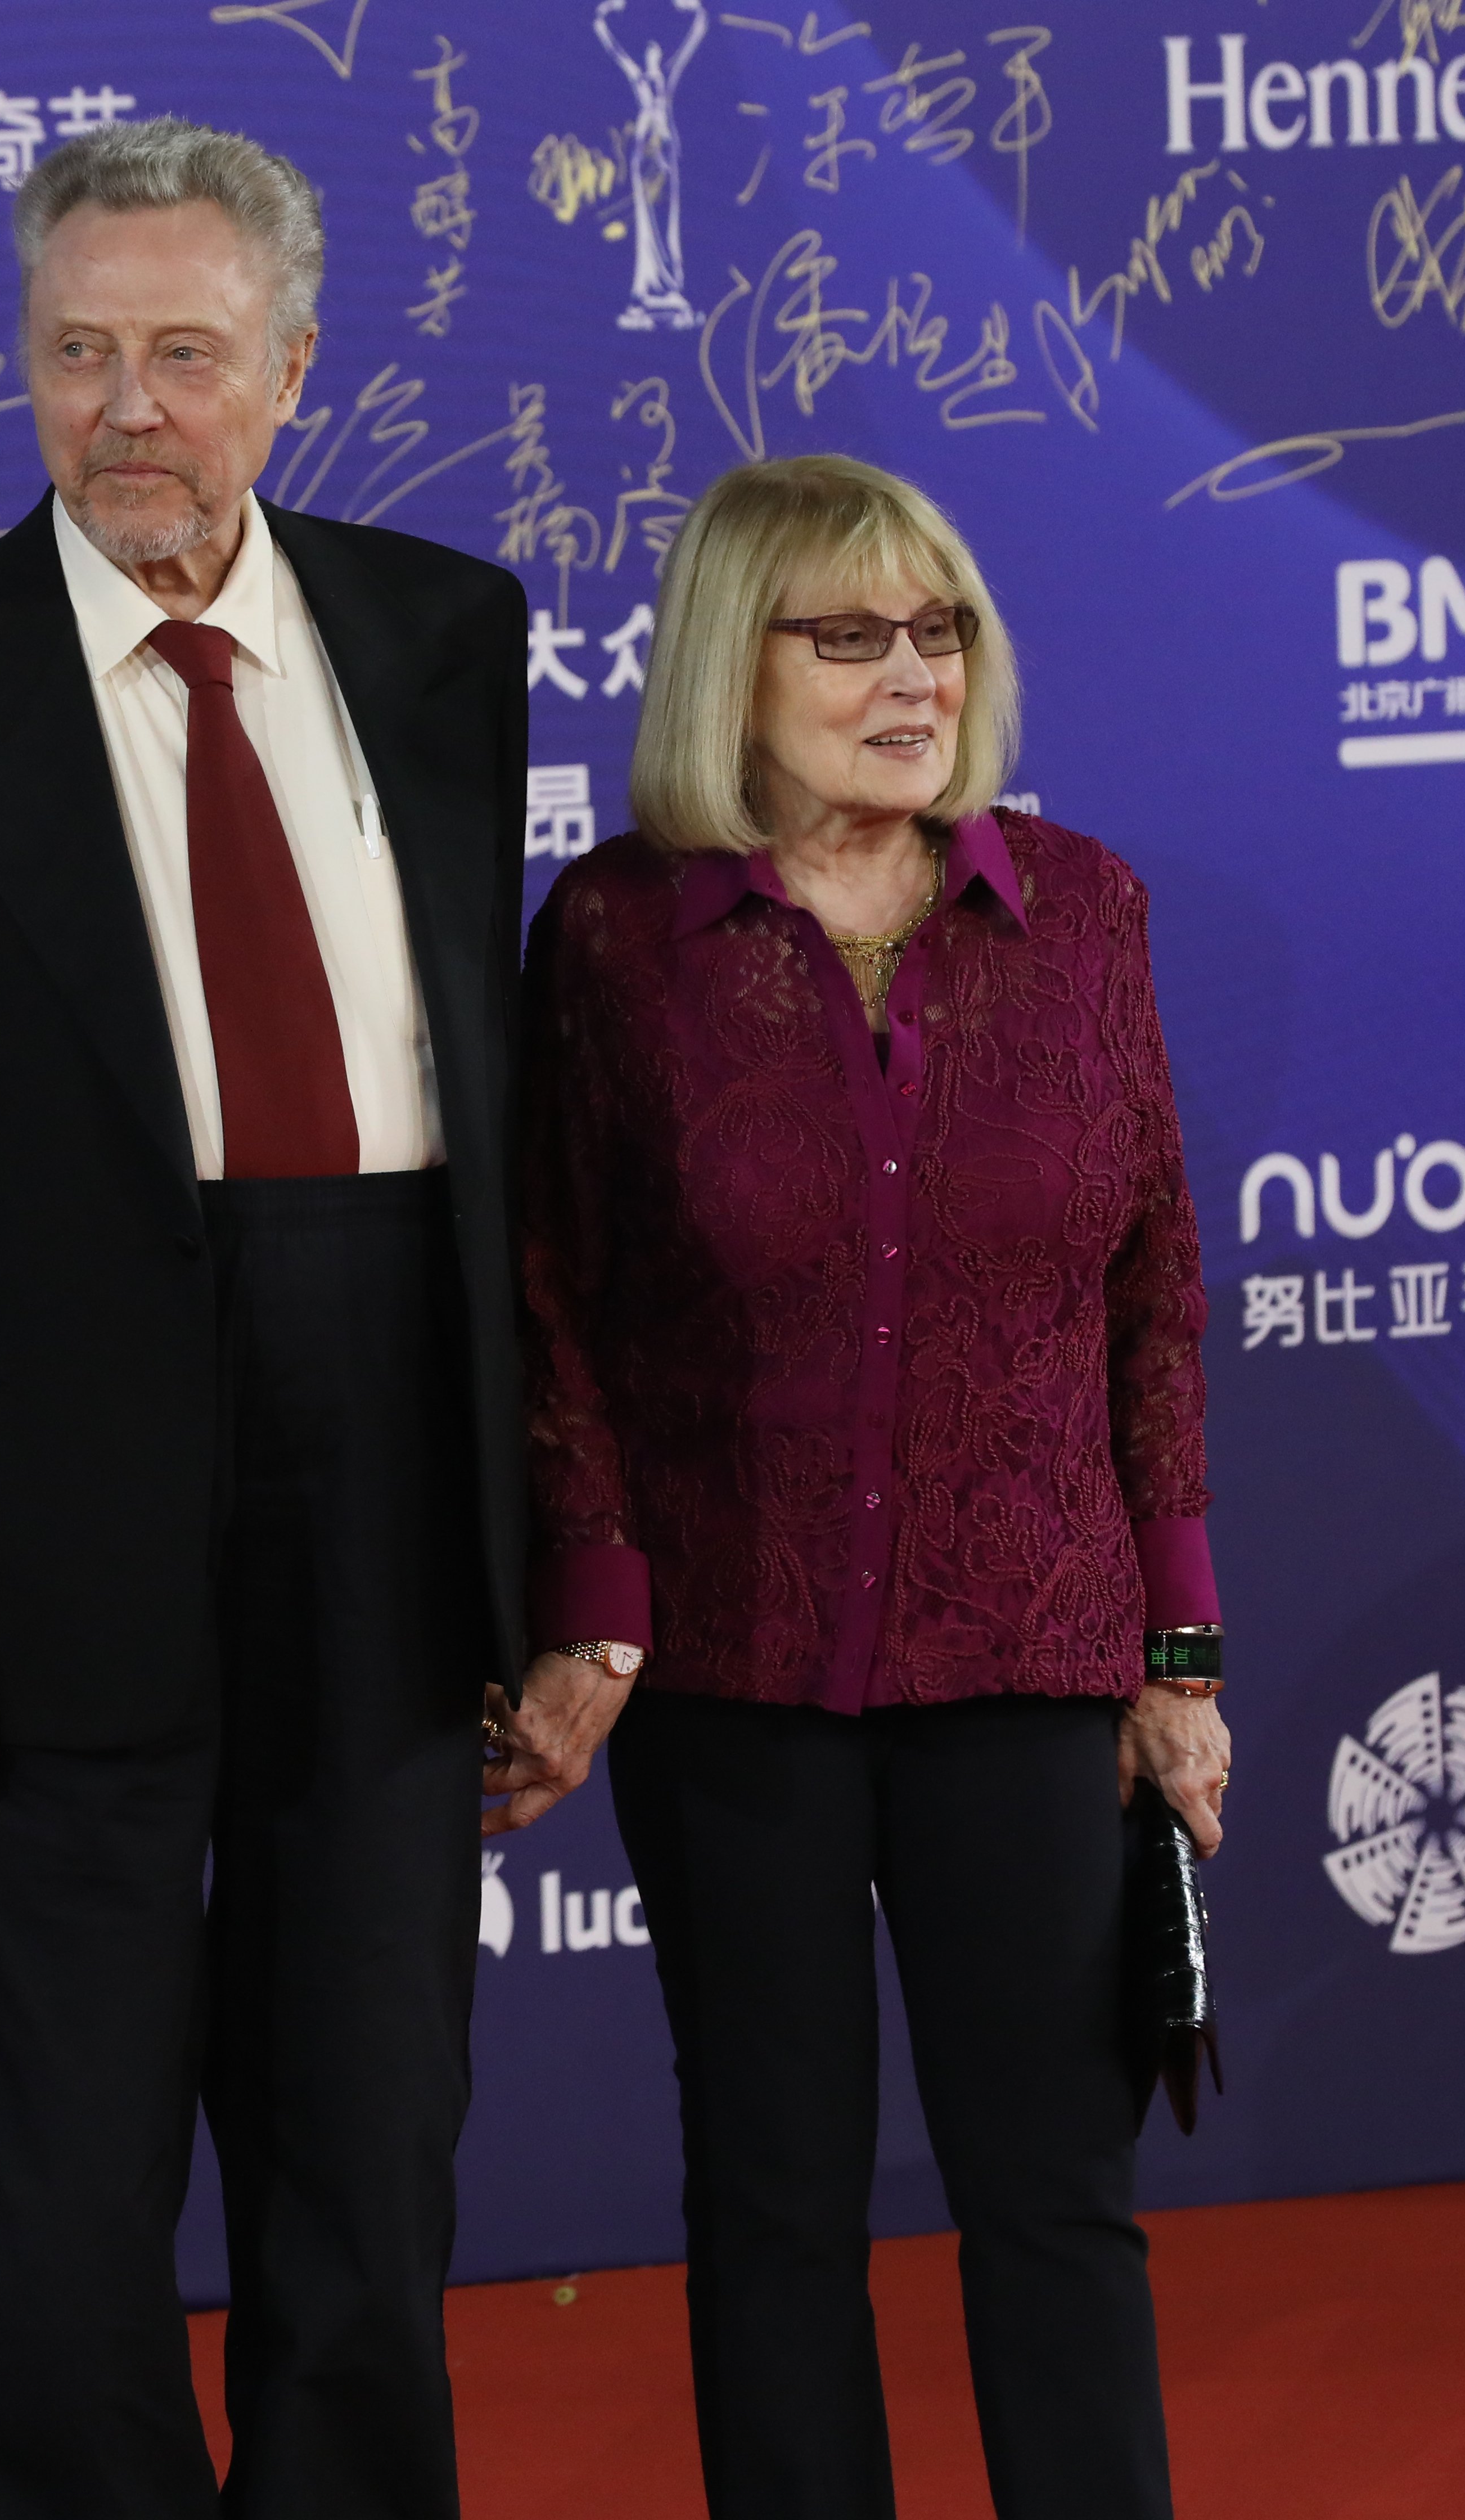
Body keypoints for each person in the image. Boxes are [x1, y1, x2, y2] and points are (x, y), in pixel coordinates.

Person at [0, 118, 537, 2520]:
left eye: (186, 354)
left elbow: (499, 1132)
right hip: (34, 1526)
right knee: (55, 2199)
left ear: (291, 370)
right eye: (79, 354)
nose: (130, 409)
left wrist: (557, 1548)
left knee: (371, 2152)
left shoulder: (443, 638)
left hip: (389, 1467)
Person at [502, 454, 1233, 2520]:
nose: (910, 677)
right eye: (849, 636)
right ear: (735, 668)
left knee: (1053, 2201)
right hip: (734, 1678)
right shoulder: (621, 937)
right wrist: (598, 1595)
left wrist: (1176, 1650)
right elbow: (555, 1288)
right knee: (774, 2209)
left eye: (939, 633)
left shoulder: (1081, 909)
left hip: (1031, 1657)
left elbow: (1156, 1285)